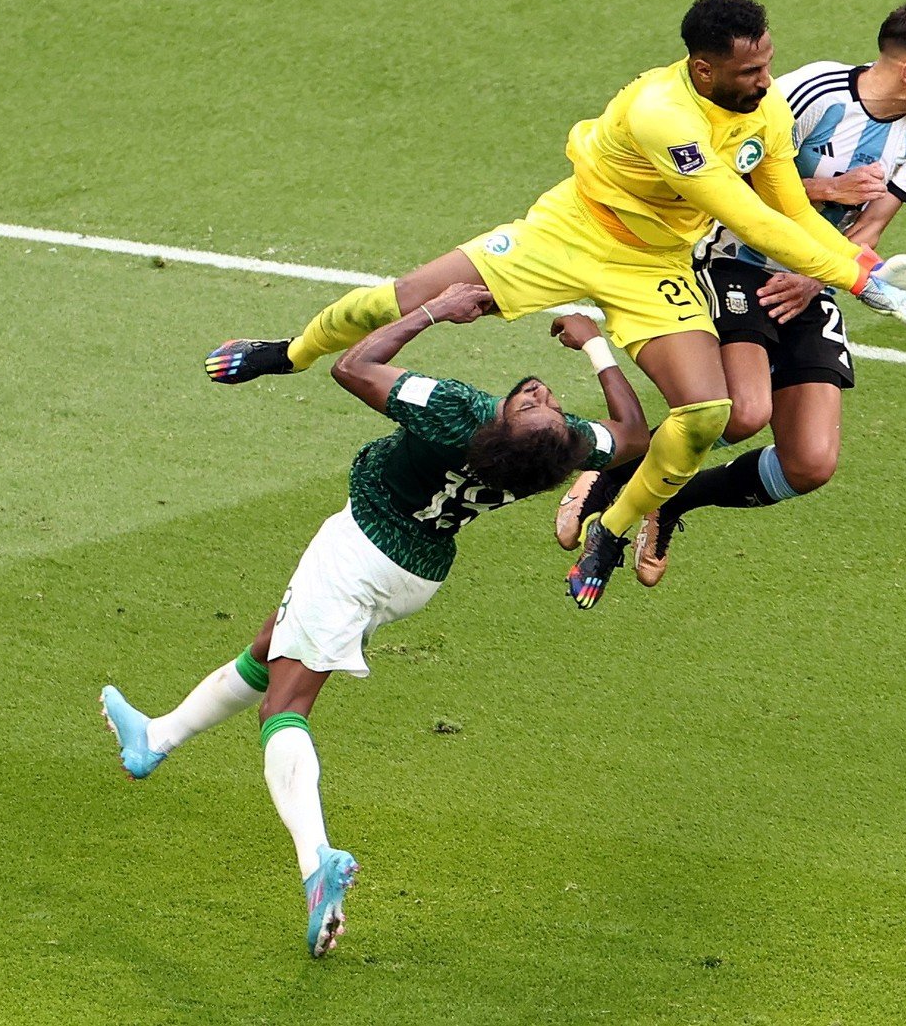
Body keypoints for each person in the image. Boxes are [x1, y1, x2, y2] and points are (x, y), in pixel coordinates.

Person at [202, 0, 906, 610]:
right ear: (702, 66)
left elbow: (785, 208)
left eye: (767, 62)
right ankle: (288, 352)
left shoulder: (764, 110)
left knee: (708, 412)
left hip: (651, 263)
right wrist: (860, 280)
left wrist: (856, 261)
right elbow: (744, 217)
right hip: (570, 231)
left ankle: (613, 528)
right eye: (750, 70)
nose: (764, 79)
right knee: (401, 300)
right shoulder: (663, 113)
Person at [101, 283, 648, 957]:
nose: (542, 395)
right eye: (545, 404)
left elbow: (351, 366)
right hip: (416, 573)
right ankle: (155, 738)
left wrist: (430, 312)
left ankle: (315, 862)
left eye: (539, 407)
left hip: (359, 552)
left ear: (502, 429)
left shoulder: (457, 414)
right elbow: (633, 434)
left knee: (285, 706)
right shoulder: (559, 453)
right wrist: (594, 340)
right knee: (275, 642)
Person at [557, 2, 906, 585]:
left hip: (811, 279)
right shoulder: (812, 94)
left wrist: (820, 277)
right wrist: (827, 187)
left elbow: (872, 225)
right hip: (734, 259)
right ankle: (609, 474)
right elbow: (725, 182)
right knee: (743, 412)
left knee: (810, 464)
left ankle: (672, 501)